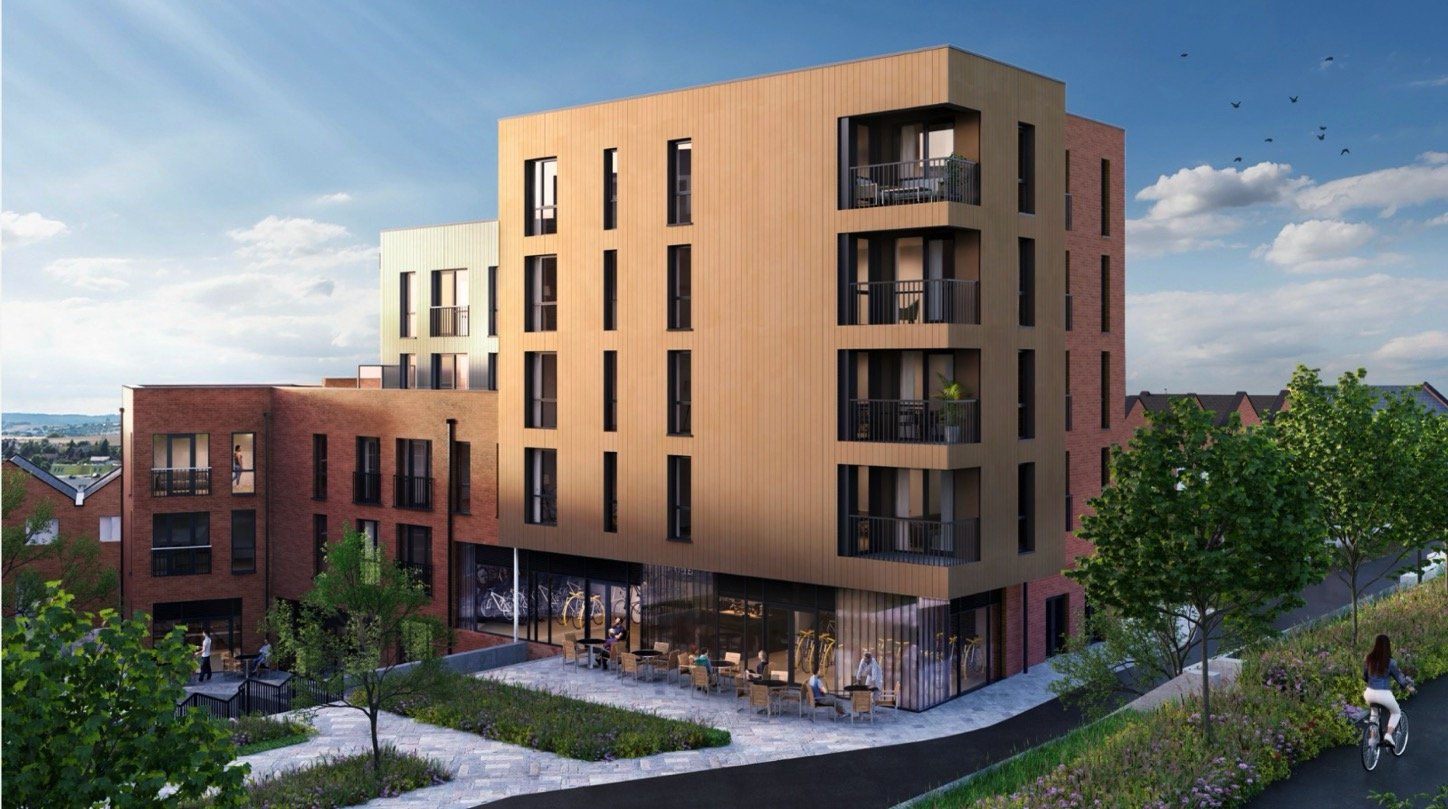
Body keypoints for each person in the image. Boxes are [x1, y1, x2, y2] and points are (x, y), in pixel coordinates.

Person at [1363, 633, 1416, 748]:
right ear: (1388, 646)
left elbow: (1365, 676)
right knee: (1396, 712)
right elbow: (1399, 678)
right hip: (1383, 694)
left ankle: (1372, 739)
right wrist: (1408, 687)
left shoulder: (1369, 659)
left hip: (1369, 693)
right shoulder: (1390, 662)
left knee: (1374, 713)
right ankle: (1388, 735)